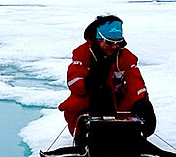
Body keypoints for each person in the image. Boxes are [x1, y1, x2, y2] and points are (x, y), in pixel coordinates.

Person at [59, 14, 157, 143]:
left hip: (116, 103)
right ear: (99, 39)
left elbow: (135, 81)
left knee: (134, 102)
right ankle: (83, 137)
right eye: (110, 42)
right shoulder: (83, 53)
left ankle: (129, 136)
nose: (115, 47)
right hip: (90, 102)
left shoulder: (125, 56)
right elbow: (74, 83)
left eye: (118, 43)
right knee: (77, 103)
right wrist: (91, 81)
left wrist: (143, 103)